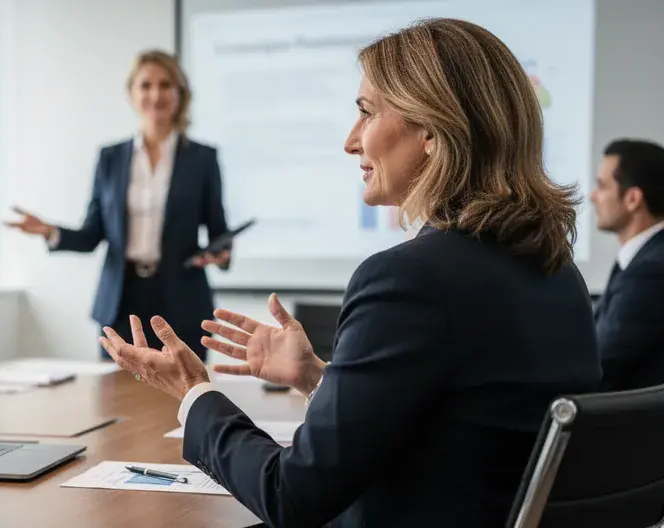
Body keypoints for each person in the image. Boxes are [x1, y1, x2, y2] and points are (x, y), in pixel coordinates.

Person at [99, 19, 601, 527]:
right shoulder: (559, 275)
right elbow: (454, 432)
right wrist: (317, 378)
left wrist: (194, 393)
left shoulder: (408, 281)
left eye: (365, 113)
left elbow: (290, 496)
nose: (350, 141)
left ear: (431, 128)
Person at [6, 50, 230, 361]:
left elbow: (219, 229)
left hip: (182, 300)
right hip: (122, 302)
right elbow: (92, 234)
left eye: (166, 85)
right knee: (117, 400)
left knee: (182, 400)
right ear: (131, 94)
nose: (156, 94)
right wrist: (50, 231)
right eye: (146, 85)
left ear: (180, 94)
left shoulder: (203, 159)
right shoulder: (110, 159)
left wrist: (220, 252)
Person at [590, 139, 664, 391]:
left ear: (633, 198)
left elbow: (600, 366)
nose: (592, 197)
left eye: (601, 186)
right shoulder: (645, 258)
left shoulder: (651, 270)